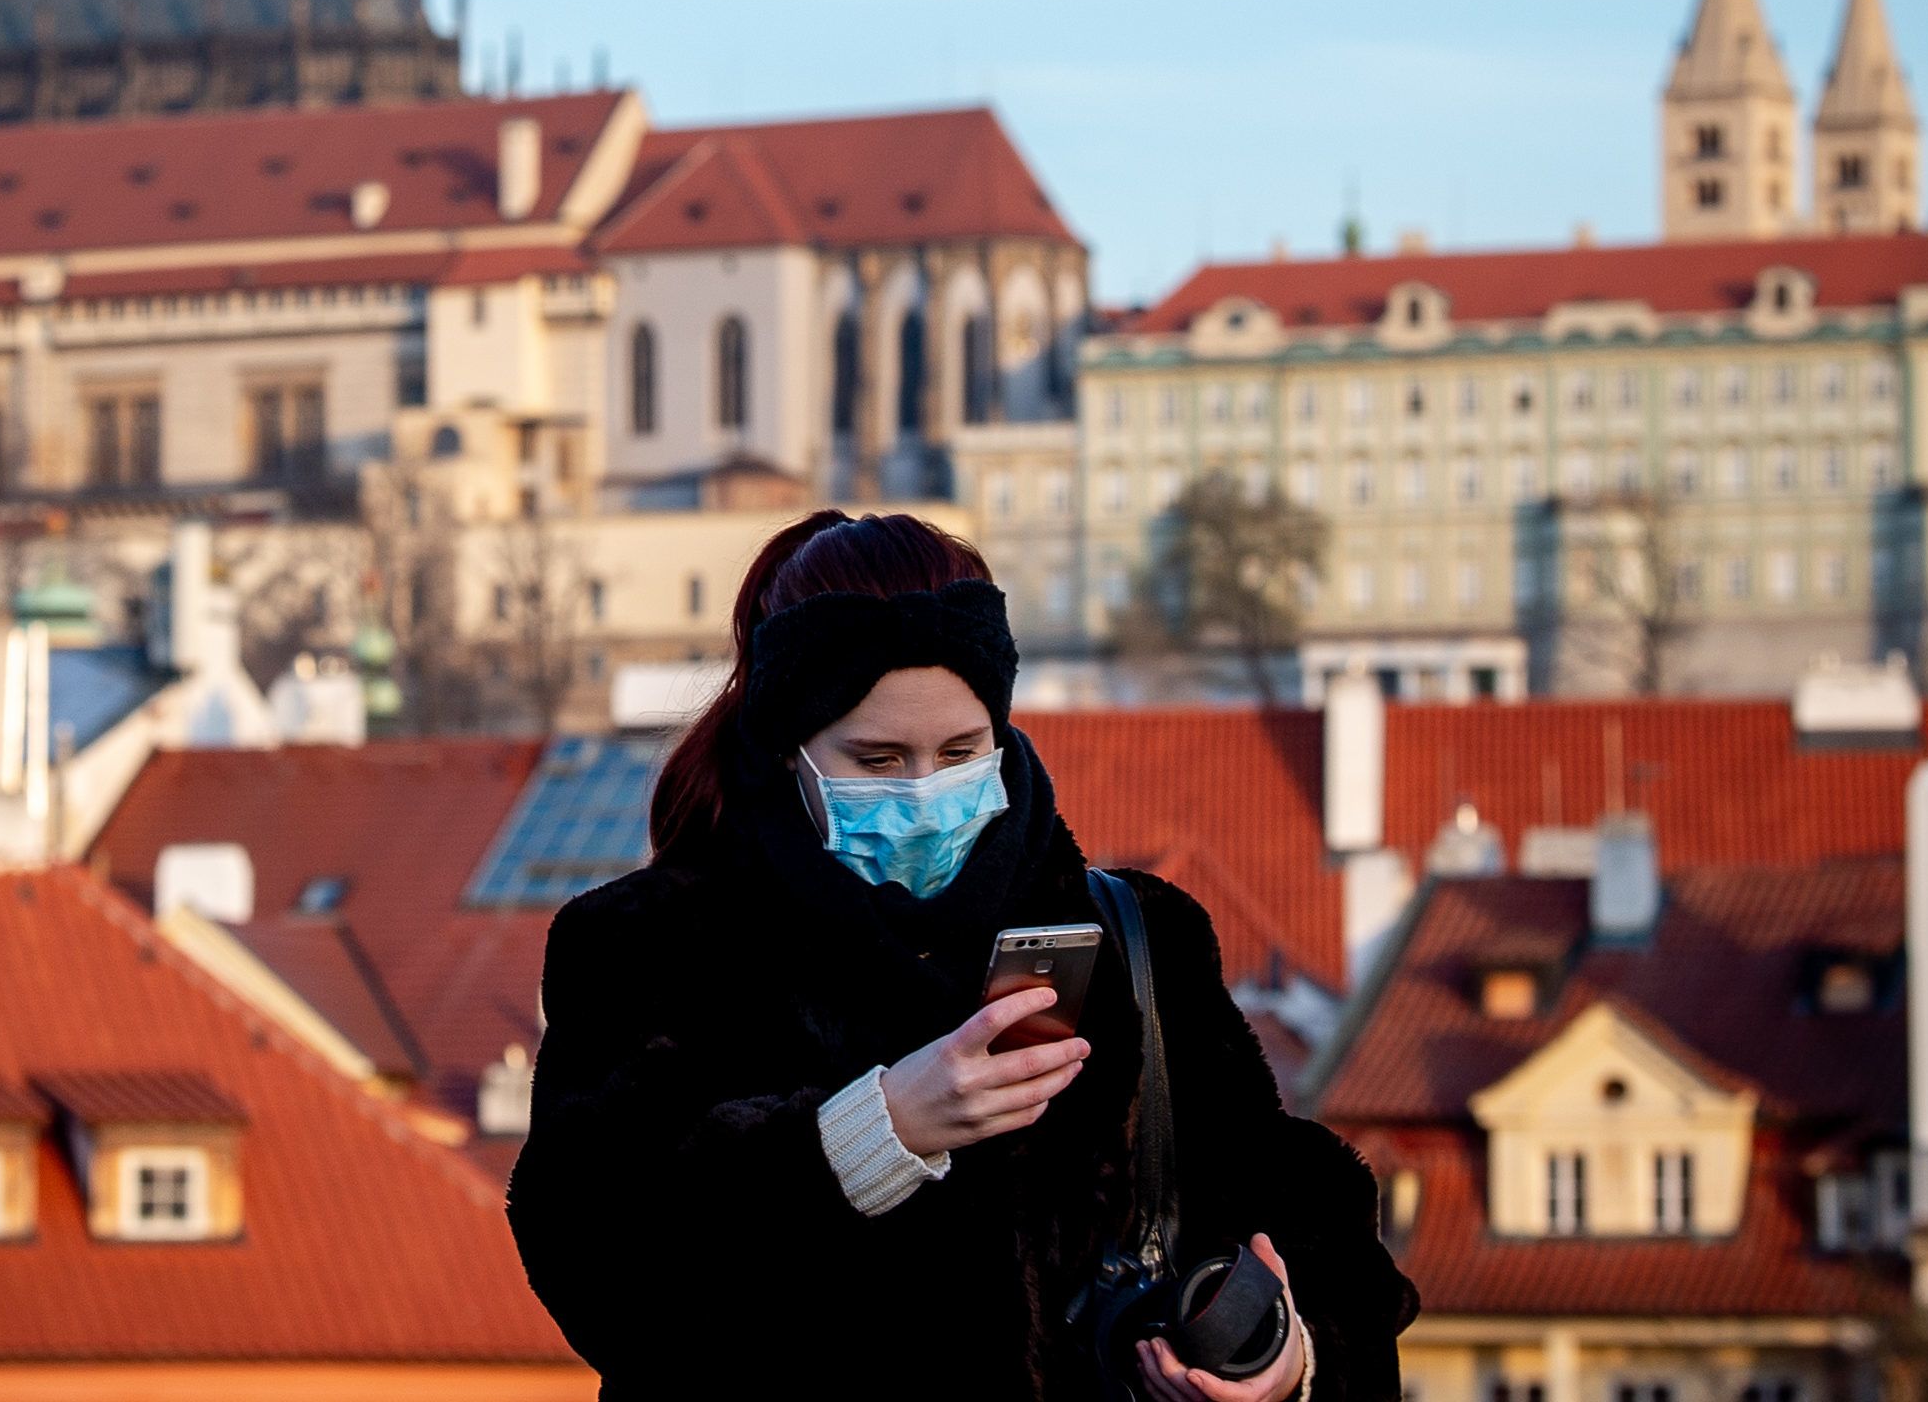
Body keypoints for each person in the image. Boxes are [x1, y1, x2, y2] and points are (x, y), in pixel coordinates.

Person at [509, 512, 1414, 1398]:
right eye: (875, 759)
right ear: (790, 754)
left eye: (958, 750)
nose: (923, 790)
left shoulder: (1137, 935)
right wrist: (871, 1134)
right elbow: (595, 1261)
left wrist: (1289, 1359)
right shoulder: (648, 946)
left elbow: (1303, 1219)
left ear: (1001, 732)